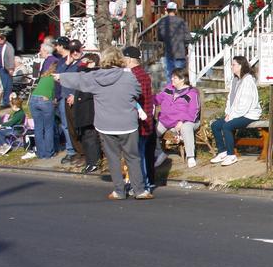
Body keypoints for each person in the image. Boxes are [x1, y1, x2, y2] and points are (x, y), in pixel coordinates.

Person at [55, 47, 152, 200]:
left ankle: (119, 191)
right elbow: (137, 92)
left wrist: (60, 77)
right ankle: (139, 190)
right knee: (133, 157)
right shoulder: (129, 77)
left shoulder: (95, 77)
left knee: (113, 158)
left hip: (105, 124)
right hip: (127, 123)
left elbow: (79, 79)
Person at [210, 55, 260, 167]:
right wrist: (228, 113)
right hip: (235, 114)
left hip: (249, 114)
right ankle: (222, 152)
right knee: (215, 125)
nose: (231, 67)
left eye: (234, 65)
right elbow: (230, 99)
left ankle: (231, 155)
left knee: (227, 126)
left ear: (241, 66)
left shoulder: (248, 80)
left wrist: (231, 117)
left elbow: (245, 104)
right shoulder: (236, 80)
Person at [154, 67, 202, 169]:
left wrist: (182, 121)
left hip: (188, 121)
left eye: (174, 78)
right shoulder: (169, 88)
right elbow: (157, 99)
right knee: (150, 132)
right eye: (172, 77)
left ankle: (190, 156)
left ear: (182, 79)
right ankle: (160, 153)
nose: (172, 79)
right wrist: (147, 97)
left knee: (186, 127)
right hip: (166, 120)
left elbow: (194, 111)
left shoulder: (191, 92)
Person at [123, 46, 156, 188]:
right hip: (145, 119)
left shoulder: (134, 76)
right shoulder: (143, 74)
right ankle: (142, 182)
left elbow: (133, 98)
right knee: (139, 153)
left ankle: (142, 184)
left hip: (138, 121)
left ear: (129, 59)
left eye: (124, 58)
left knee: (137, 155)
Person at [73, 53, 102, 174]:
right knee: (85, 136)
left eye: (86, 61)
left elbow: (81, 69)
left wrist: (84, 63)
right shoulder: (85, 73)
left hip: (89, 109)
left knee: (90, 136)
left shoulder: (94, 72)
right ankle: (90, 161)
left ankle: (93, 162)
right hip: (83, 108)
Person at [26, 58, 58, 160]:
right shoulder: (55, 78)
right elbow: (54, 93)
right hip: (44, 101)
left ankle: (41, 153)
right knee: (48, 128)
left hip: (33, 100)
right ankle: (49, 153)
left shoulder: (44, 76)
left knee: (38, 128)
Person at [58, 40, 84, 165]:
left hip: (76, 98)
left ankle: (81, 151)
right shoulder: (67, 63)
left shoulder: (83, 63)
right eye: (72, 51)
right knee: (66, 126)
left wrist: (74, 94)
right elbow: (58, 77)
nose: (75, 53)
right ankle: (71, 151)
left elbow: (82, 81)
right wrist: (66, 64)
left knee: (77, 126)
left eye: (77, 50)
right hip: (64, 97)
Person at [158, 2, 190, 78]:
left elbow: (160, 37)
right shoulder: (181, 21)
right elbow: (187, 38)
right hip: (180, 51)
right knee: (180, 76)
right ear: (176, 10)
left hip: (168, 51)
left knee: (170, 75)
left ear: (167, 10)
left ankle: (170, 89)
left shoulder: (162, 22)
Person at [0, 33, 16, 107]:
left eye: (1, 38)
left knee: (6, 85)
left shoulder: (8, 46)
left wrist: (11, 68)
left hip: (5, 69)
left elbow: (11, 57)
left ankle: (6, 102)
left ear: (4, 38)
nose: (0, 40)